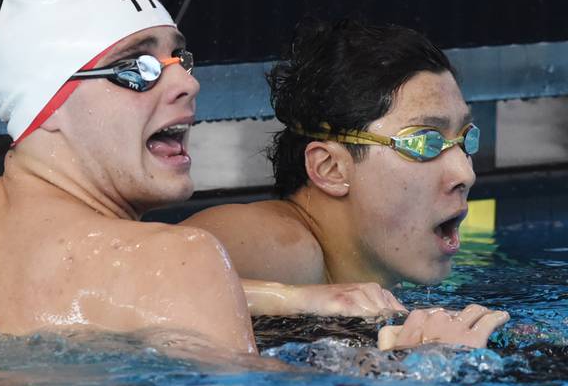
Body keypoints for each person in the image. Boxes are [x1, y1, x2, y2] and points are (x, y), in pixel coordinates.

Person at [0, 0, 505, 354]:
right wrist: (410, 369)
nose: (185, 82)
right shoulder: (176, 262)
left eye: (181, 57)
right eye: (139, 67)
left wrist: (292, 299)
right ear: (48, 105)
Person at [183, 19, 490, 291]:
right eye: (424, 143)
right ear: (330, 168)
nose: (465, 173)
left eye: (465, 139)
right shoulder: (282, 246)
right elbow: (147, 278)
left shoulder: (357, 277)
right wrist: (286, 301)